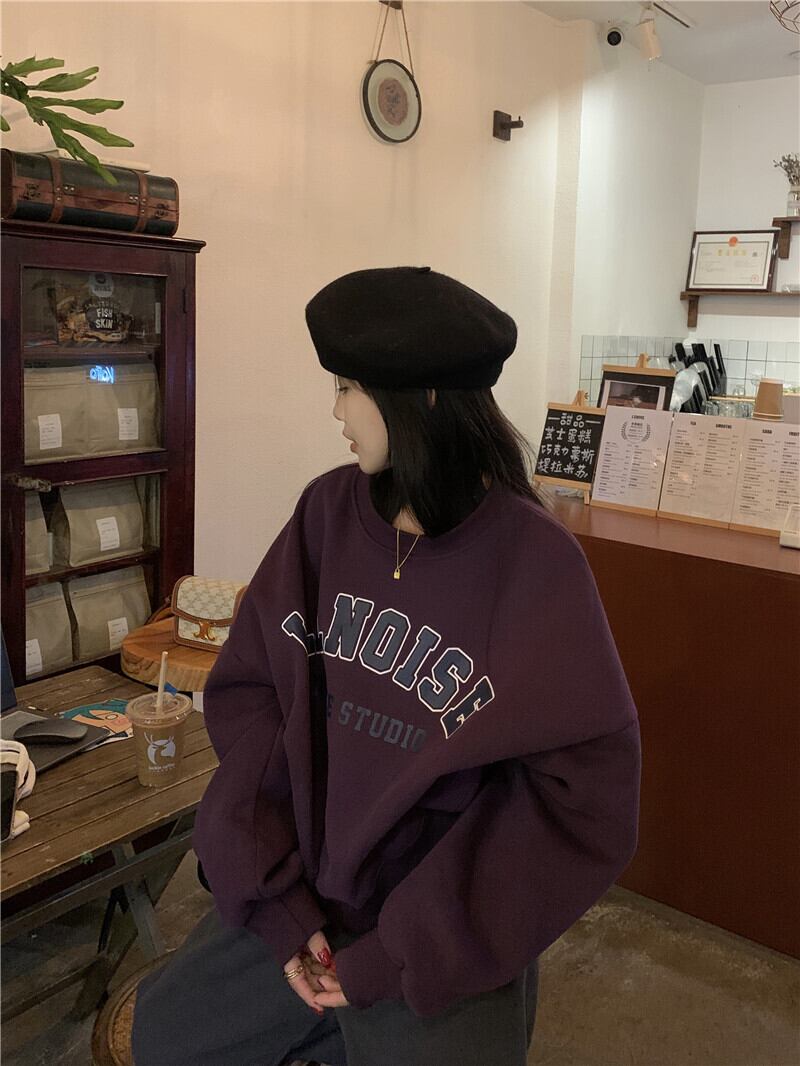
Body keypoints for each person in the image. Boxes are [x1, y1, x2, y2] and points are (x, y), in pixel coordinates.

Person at [132, 266, 641, 1066]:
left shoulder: (536, 565)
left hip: (436, 934)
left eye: (348, 387)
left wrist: (401, 952)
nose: (335, 410)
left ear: (423, 397)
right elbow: (253, 694)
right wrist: (274, 893)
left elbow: (580, 805)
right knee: (166, 1037)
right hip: (304, 895)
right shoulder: (326, 515)